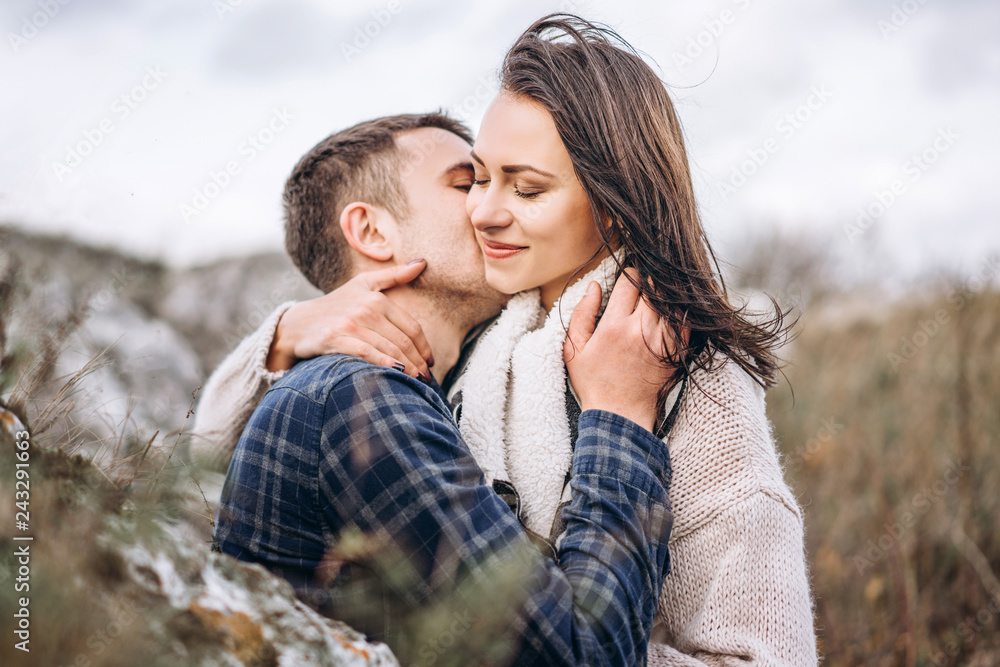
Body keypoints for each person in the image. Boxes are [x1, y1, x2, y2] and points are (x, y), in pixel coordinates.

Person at [196, 14, 818, 666]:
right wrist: (286, 332)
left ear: (610, 198)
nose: (484, 210)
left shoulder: (679, 369)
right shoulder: (452, 366)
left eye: (524, 187)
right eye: (475, 180)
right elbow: (213, 456)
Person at [212, 112, 679, 666]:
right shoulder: (356, 400)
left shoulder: (439, 388)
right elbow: (582, 656)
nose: (488, 209)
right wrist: (620, 419)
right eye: (468, 183)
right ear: (371, 231)